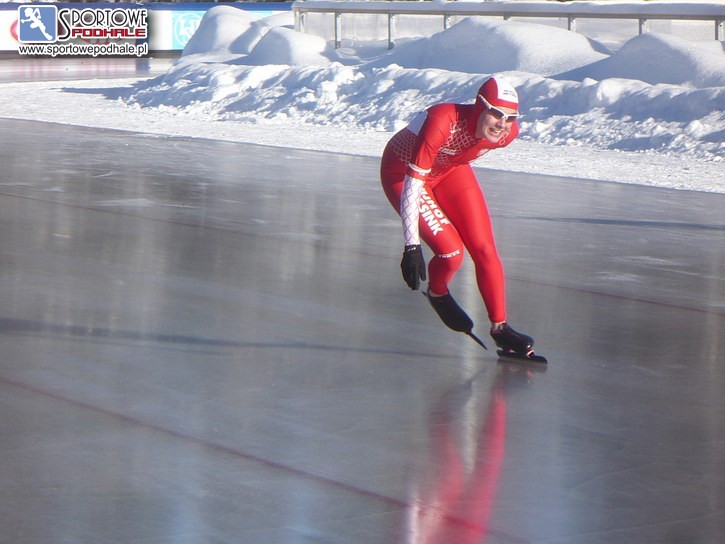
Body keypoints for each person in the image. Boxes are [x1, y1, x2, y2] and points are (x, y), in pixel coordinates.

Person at [380, 75, 536, 356]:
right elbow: (414, 184)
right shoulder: (443, 120)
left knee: (485, 249)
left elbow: (461, 152)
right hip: (404, 174)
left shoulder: (508, 135)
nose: (502, 124)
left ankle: (500, 328)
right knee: (451, 252)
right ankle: (438, 292)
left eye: (511, 117)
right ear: (479, 107)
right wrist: (411, 247)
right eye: (496, 113)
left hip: (449, 170)